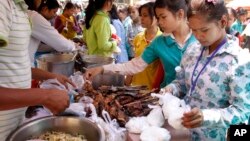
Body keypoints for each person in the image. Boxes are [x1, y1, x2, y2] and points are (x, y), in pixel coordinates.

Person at [163, 0, 250, 140]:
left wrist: (207, 117)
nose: (198, 36)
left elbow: (243, 111)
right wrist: (171, 88)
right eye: (193, 30)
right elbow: (182, 83)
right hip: (184, 132)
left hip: (216, 136)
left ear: (223, 22)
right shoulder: (192, 50)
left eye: (204, 30)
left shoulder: (238, 61)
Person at [85, 0, 197, 89]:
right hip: (169, 101)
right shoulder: (159, 43)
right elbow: (134, 65)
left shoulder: (200, 38)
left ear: (180, 14)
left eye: (163, 17)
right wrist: (102, 68)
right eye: (158, 18)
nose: (160, 22)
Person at [0, 0, 69, 140]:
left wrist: (50, 76)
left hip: (13, 126)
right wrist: (45, 96)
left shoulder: (21, 9)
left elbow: (15, 64)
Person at [25, 0, 76, 66]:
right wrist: (74, 46)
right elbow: (61, 43)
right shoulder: (34, 16)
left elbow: (38, 45)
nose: (55, 15)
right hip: (24, 65)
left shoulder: (27, 14)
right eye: (54, 12)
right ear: (45, 9)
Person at [126, 2, 162, 89]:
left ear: (155, 17)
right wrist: (128, 80)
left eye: (145, 15)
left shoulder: (161, 40)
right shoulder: (138, 37)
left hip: (151, 90)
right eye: (141, 15)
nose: (141, 18)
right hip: (135, 87)